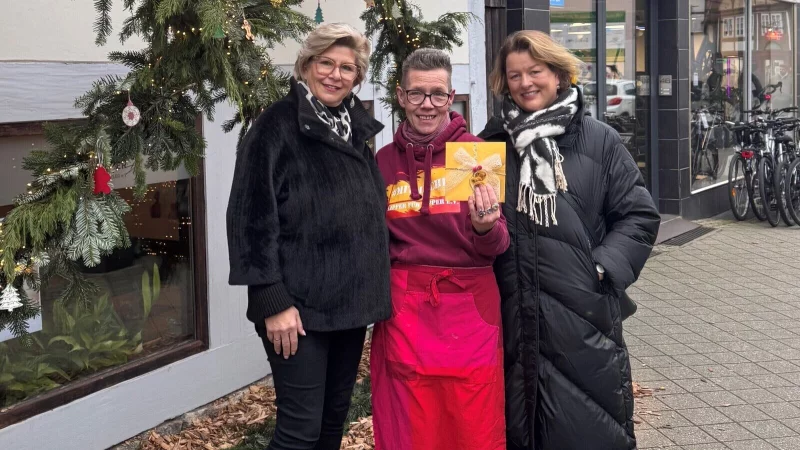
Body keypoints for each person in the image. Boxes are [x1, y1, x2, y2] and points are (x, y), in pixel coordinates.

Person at [478, 30, 660, 450]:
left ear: (558, 74)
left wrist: (600, 268)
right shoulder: (489, 146)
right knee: (518, 428)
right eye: (515, 75)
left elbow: (638, 215)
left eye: (535, 71)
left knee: (587, 428)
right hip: (511, 316)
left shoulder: (599, 139)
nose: (525, 83)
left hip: (583, 317)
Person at [225, 23, 391, 450]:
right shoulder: (275, 127)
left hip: (348, 307)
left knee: (333, 420)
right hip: (297, 310)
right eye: (326, 63)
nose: (335, 75)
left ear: (358, 76)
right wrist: (271, 300)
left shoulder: (351, 126)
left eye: (347, 68)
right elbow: (248, 219)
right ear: (306, 65)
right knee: (300, 431)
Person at [370, 48, 509, 450]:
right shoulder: (382, 161)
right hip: (404, 313)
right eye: (416, 94)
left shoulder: (475, 156)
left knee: (472, 426)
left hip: (470, 313)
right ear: (400, 96)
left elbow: (499, 244)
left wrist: (485, 227)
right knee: (409, 428)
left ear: (451, 98)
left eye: (436, 94)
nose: (426, 105)